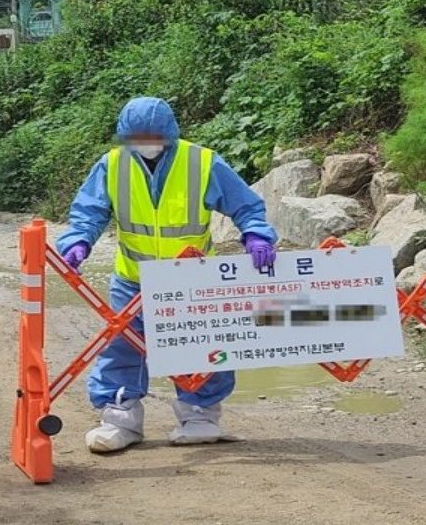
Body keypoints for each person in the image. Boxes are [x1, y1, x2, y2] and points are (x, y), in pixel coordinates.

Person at [56, 96, 278, 453]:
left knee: (201, 346)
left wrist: (256, 234)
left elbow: (246, 205)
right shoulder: (112, 165)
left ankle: (200, 414)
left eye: (153, 136)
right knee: (124, 347)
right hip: (134, 279)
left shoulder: (201, 163)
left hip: (192, 280)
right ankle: (120, 419)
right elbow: (89, 211)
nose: (146, 143)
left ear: (169, 133)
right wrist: (77, 242)